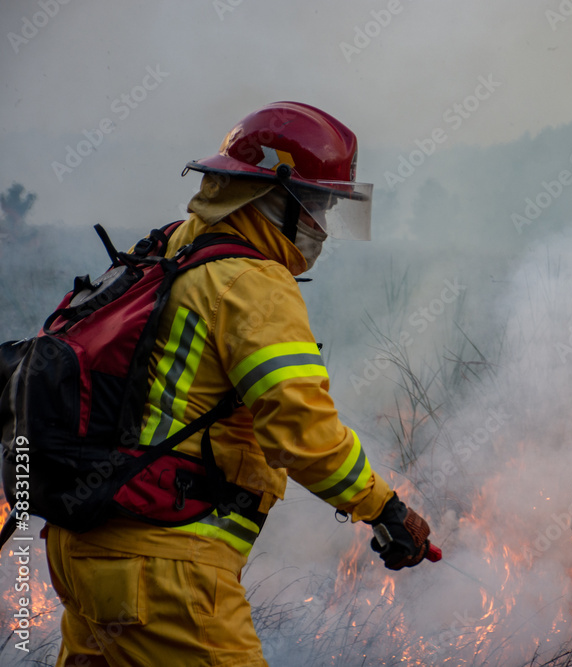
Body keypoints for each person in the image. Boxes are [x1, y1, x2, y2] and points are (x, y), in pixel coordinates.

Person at [43, 101, 433, 666]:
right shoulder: (253, 281)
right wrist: (386, 510)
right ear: (273, 196)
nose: (323, 225)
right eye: (318, 204)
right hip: (164, 569)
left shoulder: (172, 247)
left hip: (87, 549)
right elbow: (304, 433)